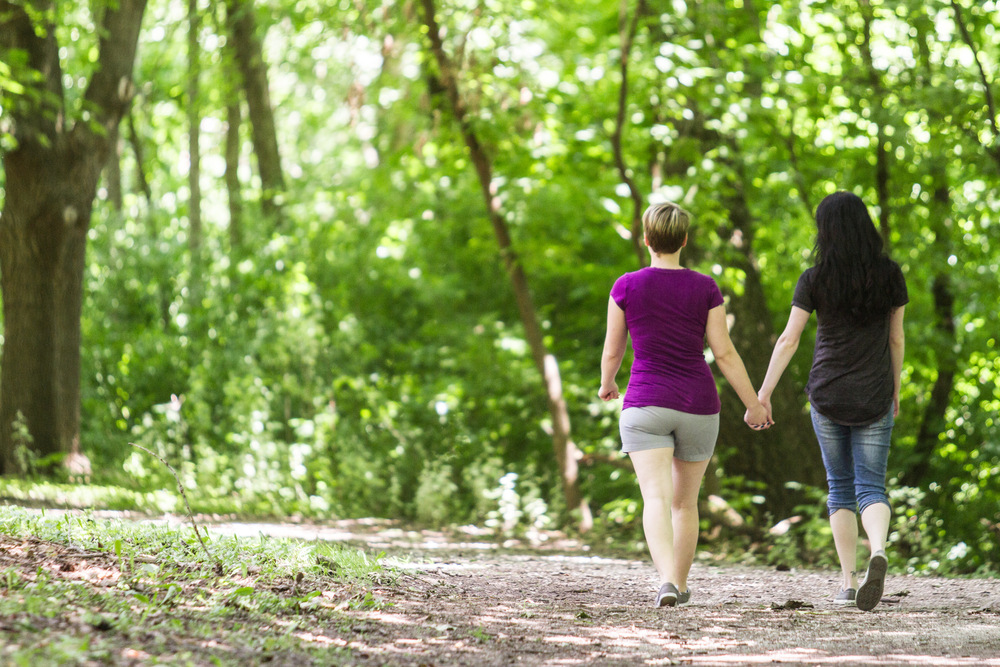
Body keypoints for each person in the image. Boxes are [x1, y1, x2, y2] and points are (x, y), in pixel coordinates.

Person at [600, 201, 771, 608]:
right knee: (685, 503)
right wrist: (754, 405)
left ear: (646, 239)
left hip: (645, 405)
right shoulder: (706, 287)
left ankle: (665, 583)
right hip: (697, 403)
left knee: (656, 500)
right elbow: (725, 353)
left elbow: (613, 350)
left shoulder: (626, 286)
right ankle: (678, 582)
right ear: (685, 240)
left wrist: (608, 384)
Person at [756, 191, 907, 612]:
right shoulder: (890, 275)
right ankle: (878, 548)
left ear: (827, 231)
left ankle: (847, 583)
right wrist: (894, 389)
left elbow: (789, 339)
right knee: (871, 486)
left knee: (839, 488)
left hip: (827, 393)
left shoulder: (815, 278)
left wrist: (763, 393)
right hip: (874, 392)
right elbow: (895, 338)